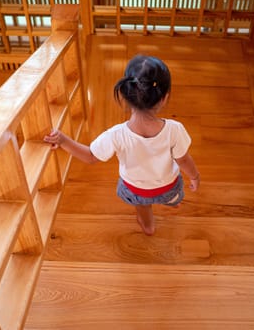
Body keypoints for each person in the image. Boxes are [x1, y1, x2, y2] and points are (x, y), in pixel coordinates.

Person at [43, 55, 200, 236]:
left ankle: (148, 225)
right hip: (167, 185)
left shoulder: (116, 135)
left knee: (143, 205)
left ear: (126, 95)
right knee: (173, 194)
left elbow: (91, 156)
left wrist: (63, 140)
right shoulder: (175, 129)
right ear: (164, 98)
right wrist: (195, 177)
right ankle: (172, 200)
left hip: (136, 189)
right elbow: (183, 160)